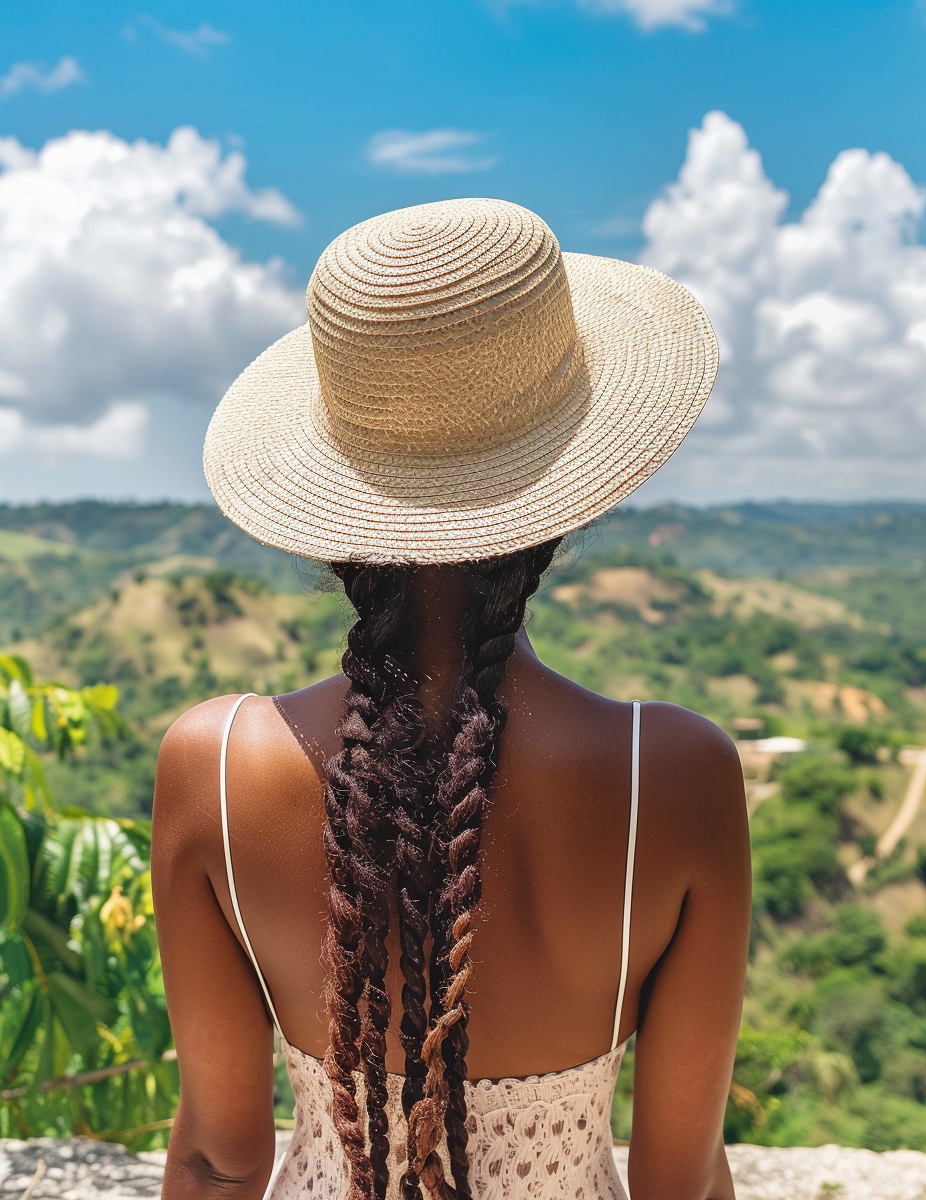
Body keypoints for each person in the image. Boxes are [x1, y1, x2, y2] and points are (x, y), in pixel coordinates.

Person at [153, 198, 750, 1200]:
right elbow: (680, 1182)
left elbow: (219, 1159)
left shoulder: (214, 768)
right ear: (565, 505)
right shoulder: (674, 776)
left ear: (333, 515)